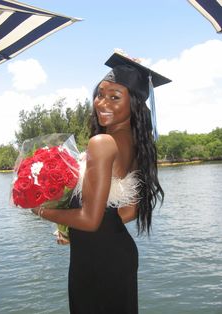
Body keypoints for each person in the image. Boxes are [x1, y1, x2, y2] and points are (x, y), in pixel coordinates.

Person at [32, 51, 171, 314]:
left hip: (97, 263)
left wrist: (40, 211)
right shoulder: (138, 145)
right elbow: (128, 211)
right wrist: (73, 229)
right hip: (114, 255)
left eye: (114, 97)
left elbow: (91, 219)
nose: (102, 103)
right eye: (100, 94)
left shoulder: (102, 143)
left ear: (135, 104)